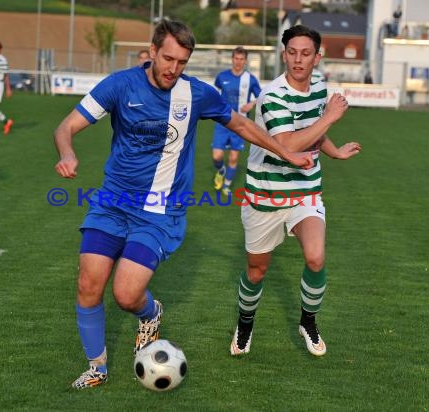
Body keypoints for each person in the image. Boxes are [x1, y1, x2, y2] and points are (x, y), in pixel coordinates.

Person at [53, 19, 313, 389]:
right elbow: (65, 127)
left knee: (126, 295)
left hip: (160, 211)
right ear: (153, 50)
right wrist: (67, 153)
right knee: (88, 285)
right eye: (168, 59)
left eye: (182, 62)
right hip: (111, 202)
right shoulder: (119, 85)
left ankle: (150, 313)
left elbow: (239, 124)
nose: (173, 69)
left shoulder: (195, 94)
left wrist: (285, 152)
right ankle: (97, 367)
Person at [229, 25, 361, 358]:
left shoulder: (319, 85)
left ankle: (308, 321)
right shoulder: (272, 95)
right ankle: (245, 322)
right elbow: (285, 145)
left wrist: (334, 151)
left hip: (305, 190)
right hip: (266, 194)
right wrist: (330, 118)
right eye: (292, 52)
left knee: (316, 257)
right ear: (283, 53)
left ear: (317, 57)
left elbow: (311, 129)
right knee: (257, 270)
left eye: (305, 53)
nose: (298, 60)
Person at [212, 46, 261, 196]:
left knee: (233, 157)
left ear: (245, 61)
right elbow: (215, 93)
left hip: (240, 124)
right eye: (236, 58)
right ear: (232, 59)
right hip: (223, 121)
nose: (238, 62)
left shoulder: (250, 79)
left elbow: (261, 96)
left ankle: (226, 185)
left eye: (242, 59)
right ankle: (221, 170)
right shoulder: (222, 77)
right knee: (217, 156)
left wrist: (251, 104)